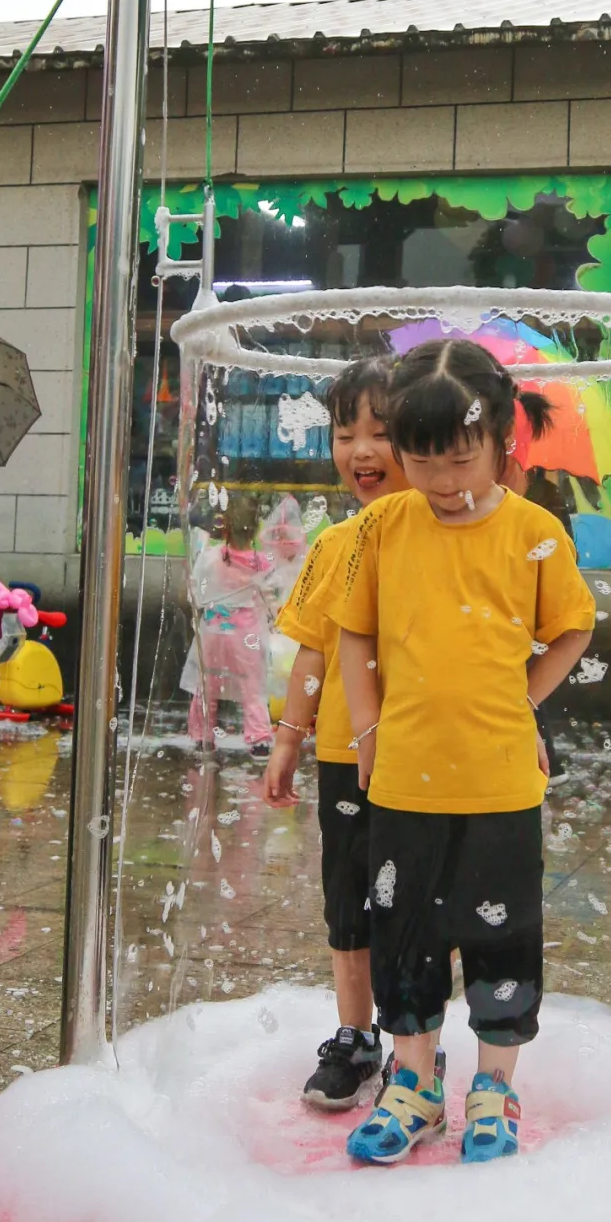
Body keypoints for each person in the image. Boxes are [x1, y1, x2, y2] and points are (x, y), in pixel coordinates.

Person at [334, 339, 595, 1167]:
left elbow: (573, 626)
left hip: (500, 782)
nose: (443, 481)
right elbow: (355, 632)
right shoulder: (383, 525)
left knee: (502, 931)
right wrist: (368, 732)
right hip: (405, 776)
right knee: (403, 931)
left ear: (500, 440)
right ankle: (412, 1086)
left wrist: (522, 696)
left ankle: (494, 1084)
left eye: (461, 459)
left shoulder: (533, 532)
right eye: (423, 460)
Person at [264, 357, 408, 1110]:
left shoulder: (441, 542)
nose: (360, 450)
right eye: (345, 432)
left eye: (381, 433)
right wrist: (290, 736)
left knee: (417, 901)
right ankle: (356, 1037)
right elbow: (313, 650)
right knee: (348, 899)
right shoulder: (334, 545)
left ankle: (417, 1037)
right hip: (345, 756)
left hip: (425, 759)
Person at [185, 492, 275, 756]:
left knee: (207, 686)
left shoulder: (212, 557)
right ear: (255, 528)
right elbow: (269, 597)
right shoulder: (262, 563)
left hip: (212, 630)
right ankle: (258, 739)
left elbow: (197, 593)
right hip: (246, 635)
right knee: (253, 687)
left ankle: (202, 736)